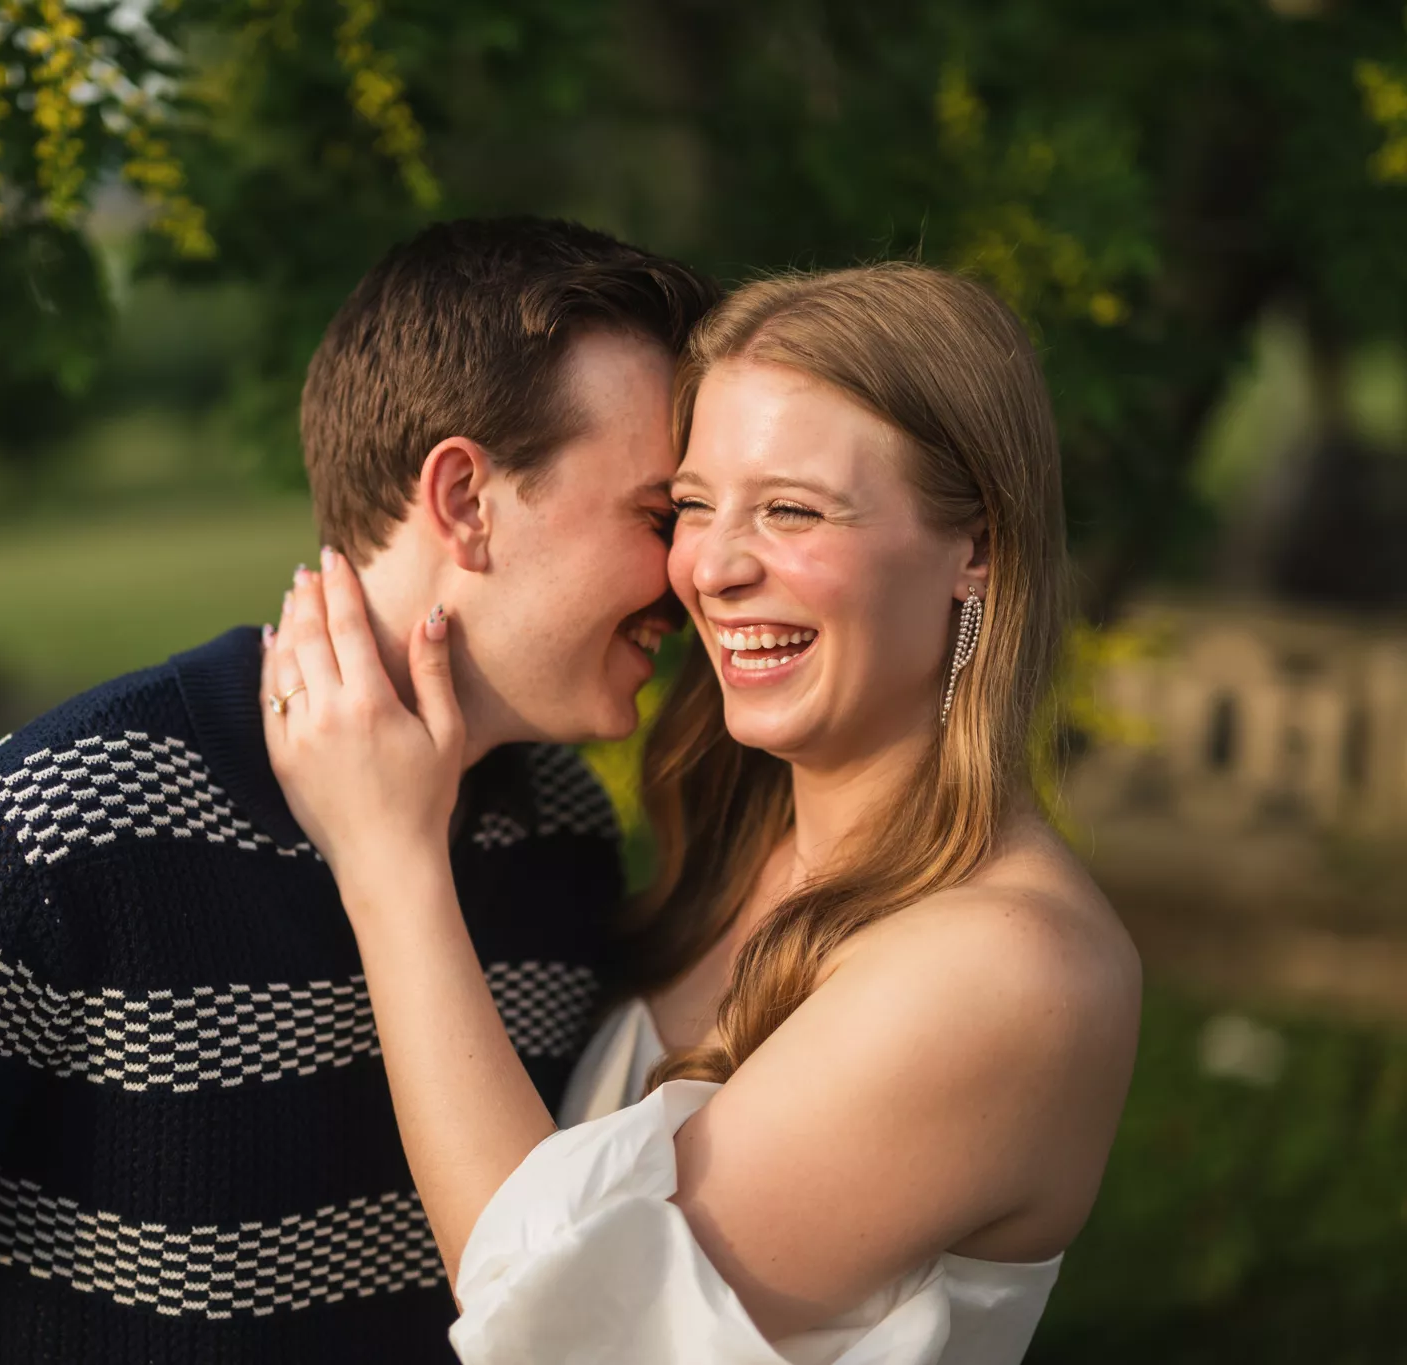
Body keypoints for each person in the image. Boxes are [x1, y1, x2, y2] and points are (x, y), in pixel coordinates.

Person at [0, 217, 715, 1365]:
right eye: (659, 516)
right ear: (464, 502)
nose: (692, 574)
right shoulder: (51, 832)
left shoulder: (560, 834)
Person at [261, 263, 1143, 1365]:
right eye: (687, 506)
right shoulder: (729, 842)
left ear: (977, 549)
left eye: (789, 510)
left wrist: (389, 863)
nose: (710, 569)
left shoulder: (1008, 968)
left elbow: (567, 1336)